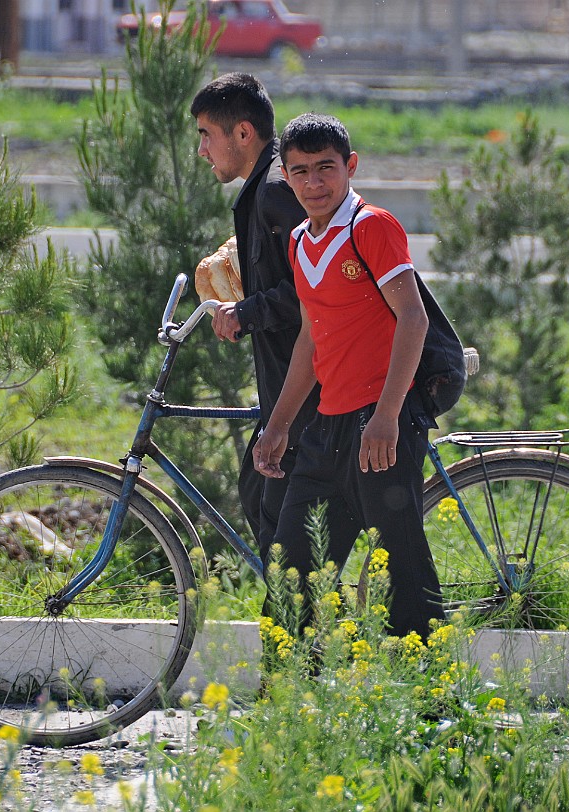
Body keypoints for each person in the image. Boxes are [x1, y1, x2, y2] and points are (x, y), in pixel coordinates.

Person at [253, 112, 445, 640]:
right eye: (300, 172)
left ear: (350, 166)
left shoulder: (372, 226)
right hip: (324, 433)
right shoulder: (298, 241)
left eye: (326, 168)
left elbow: (414, 317)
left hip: (381, 428)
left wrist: (386, 416)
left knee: (402, 573)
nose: (314, 183)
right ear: (286, 177)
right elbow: (311, 340)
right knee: (294, 576)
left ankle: (436, 705)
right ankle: (291, 705)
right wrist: (279, 424)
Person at [190, 73, 320, 577]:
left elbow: (314, 289)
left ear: (243, 134)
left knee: (286, 538)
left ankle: (301, 633)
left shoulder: (275, 190)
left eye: (206, 134)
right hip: (284, 381)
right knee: (256, 487)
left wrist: (244, 313)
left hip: (307, 387)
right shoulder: (262, 191)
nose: (202, 150)